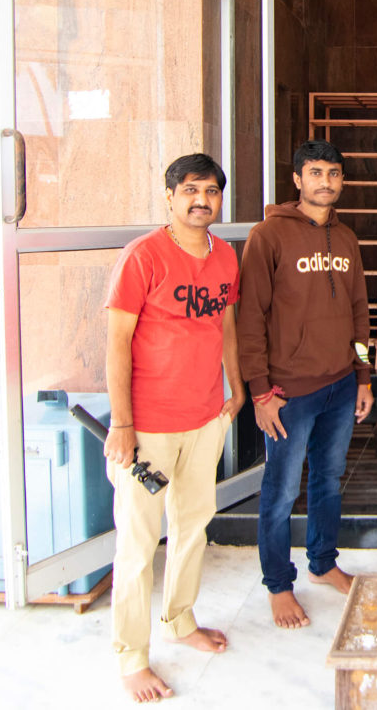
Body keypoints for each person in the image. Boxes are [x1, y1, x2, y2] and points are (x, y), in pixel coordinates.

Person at [104, 153, 244, 702]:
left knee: (193, 526)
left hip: (205, 418)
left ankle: (180, 620)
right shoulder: (144, 257)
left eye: (210, 191)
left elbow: (226, 323)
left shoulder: (226, 255)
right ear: (169, 196)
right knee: (138, 545)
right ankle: (131, 657)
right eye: (190, 190)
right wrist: (122, 424)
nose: (200, 200)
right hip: (149, 427)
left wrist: (235, 390)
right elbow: (117, 342)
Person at [238, 139, 374, 630]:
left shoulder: (349, 240)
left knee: (327, 480)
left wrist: (363, 375)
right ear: (297, 180)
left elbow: (360, 314)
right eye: (315, 173)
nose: (326, 182)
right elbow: (249, 319)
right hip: (289, 392)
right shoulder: (268, 236)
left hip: (340, 385)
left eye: (334, 174)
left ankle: (322, 563)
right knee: (280, 489)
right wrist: (259, 391)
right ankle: (278, 583)